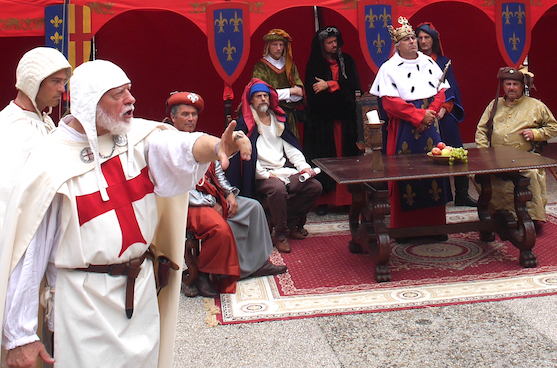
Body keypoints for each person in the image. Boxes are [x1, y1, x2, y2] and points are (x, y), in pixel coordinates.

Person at [0, 60, 251, 368]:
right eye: (118, 94)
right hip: (84, 303)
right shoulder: (51, 161)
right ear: (90, 101)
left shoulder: (138, 138)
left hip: (140, 291)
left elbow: (183, 146)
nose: (131, 100)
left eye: (129, 91)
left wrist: (217, 146)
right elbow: (30, 253)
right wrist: (21, 335)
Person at [166, 91, 286, 298]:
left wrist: (229, 194)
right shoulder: (166, 142)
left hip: (210, 197)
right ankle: (203, 273)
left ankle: (256, 263)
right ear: (173, 117)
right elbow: (177, 185)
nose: (190, 119)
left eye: (193, 114)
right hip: (185, 203)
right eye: (185, 114)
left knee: (253, 207)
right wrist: (209, 202)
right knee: (219, 229)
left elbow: (217, 171)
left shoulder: (200, 139)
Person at [369, 16, 451, 236]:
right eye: (407, 39)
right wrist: (418, 117)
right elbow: (389, 103)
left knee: (434, 170)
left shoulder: (429, 63)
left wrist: (430, 113)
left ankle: (435, 227)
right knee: (406, 173)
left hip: (430, 124)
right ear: (398, 45)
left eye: (413, 38)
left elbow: (441, 90)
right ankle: (405, 230)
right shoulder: (389, 68)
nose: (413, 42)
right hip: (404, 127)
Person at [228, 79, 322, 253]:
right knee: (277, 190)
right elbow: (247, 157)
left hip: (282, 170)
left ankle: (290, 223)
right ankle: (280, 234)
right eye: (258, 96)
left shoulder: (279, 120)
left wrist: (303, 167)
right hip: (262, 174)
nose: (263, 99)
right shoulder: (245, 124)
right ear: (251, 101)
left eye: (265, 96)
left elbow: (291, 149)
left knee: (314, 187)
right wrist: (264, 175)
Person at [0, 47, 72, 235]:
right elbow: (6, 197)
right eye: (55, 81)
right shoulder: (13, 126)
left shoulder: (45, 121)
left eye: (63, 81)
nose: (61, 89)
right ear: (33, 82)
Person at [475, 66, 557, 231]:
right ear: (503, 86)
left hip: (525, 158)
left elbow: (553, 127)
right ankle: (497, 213)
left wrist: (536, 134)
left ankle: (530, 217)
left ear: (522, 86)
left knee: (532, 174)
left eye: (515, 84)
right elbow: (481, 130)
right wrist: (484, 153)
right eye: (508, 84)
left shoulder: (536, 106)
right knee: (477, 175)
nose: (511, 87)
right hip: (496, 159)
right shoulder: (494, 105)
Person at [415, 22, 477, 207]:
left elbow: (452, 89)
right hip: (423, 114)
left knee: (456, 151)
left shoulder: (444, 62)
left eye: (427, 38)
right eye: (420, 37)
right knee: (428, 155)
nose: (423, 41)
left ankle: (462, 194)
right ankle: (436, 196)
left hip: (444, 114)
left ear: (433, 40)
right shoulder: (412, 63)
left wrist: (444, 108)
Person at [304, 26, 361, 216]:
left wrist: (330, 85)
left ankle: (346, 200)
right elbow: (314, 95)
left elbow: (353, 87)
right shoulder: (314, 65)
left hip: (345, 122)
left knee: (345, 160)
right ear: (322, 45)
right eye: (330, 42)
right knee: (323, 160)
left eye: (336, 41)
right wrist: (335, 93)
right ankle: (322, 201)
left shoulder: (348, 62)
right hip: (323, 124)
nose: (334, 44)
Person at [252, 29, 305, 139]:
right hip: (269, 115)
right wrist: (289, 92)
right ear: (268, 46)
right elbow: (261, 94)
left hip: (289, 116)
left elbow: (299, 92)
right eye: (275, 45)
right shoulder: (261, 67)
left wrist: (278, 95)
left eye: (281, 45)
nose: (279, 48)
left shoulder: (290, 65)